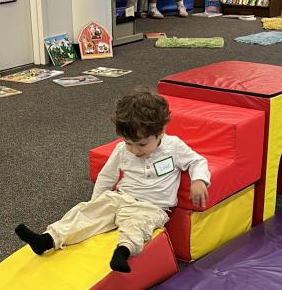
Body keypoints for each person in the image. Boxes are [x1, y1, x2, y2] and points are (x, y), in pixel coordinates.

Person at [15, 89, 210, 273]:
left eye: (141, 144)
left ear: (160, 132)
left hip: (152, 207)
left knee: (138, 226)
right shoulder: (121, 150)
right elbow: (107, 177)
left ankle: (122, 252)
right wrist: (96, 202)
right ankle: (47, 239)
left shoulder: (173, 147)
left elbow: (197, 161)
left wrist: (198, 180)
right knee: (84, 213)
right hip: (120, 198)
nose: (134, 150)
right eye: (128, 143)